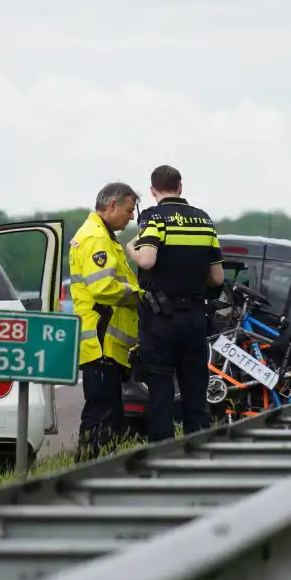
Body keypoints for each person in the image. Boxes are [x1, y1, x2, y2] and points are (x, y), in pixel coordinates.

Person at [128, 165, 224, 443]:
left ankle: (163, 454)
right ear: (181, 187)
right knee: (196, 388)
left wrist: (129, 249)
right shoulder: (204, 220)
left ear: (152, 191)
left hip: (161, 319)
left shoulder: (153, 217)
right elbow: (217, 277)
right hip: (195, 316)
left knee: (160, 389)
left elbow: (147, 260)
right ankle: (200, 451)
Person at [69, 182, 143, 461]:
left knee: (107, 413)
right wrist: (140, 296)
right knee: (100, 413)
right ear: (112, 205)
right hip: (102, 343)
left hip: (105, 344)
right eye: (128, 210)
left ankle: (96, 468)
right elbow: (103, 288)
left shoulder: (102, 236)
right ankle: (86, 471)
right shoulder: (96, 238)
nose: (131, 217)